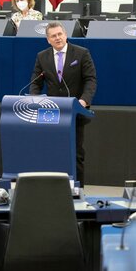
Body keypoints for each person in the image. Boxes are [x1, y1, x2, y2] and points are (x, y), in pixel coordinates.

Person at [29, 22, 97, 188]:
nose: (58, 38)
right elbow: (35, 83)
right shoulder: (42, 56)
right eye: (53, 36)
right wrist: (34, 99)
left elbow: (90, 79)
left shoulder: (81, 53)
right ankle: (54, 189)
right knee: (53, 153)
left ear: (65, 35)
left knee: (76, 154)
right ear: (48, 40)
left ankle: (78, 191)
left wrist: (84, 100)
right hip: (52, 114)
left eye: (60, 34)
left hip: (75, 112)